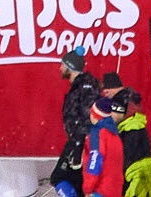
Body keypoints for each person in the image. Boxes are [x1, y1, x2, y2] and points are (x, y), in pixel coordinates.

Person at [50, 49, 100, 197]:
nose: (60, 68)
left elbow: (88, 118)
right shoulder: (79, 86)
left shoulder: (85, 88)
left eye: (63, 65)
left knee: (59, 177)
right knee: (76, 183)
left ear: (70, 67)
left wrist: (79, 144)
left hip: (82, 142)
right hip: (78, 140)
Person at [113, 88, 151, 197]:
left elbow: (127, 157)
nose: (111, 114)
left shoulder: (133, 128)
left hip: (138, 176)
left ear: (126, 111)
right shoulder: (124, 128)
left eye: (115, 109)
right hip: (135, 176)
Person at [82, 94, 125, 197]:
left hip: (100, 190)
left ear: (95, 115)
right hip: (115, 190)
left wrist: (88, 187)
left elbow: (95, 160)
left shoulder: (97, 134)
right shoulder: (115, 135)